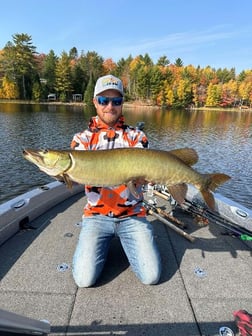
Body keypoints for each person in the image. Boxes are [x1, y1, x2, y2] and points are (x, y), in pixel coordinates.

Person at [71, 74, 161, 287]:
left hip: (132, 215)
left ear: (122, 104)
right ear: (95, 102)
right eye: (103, 100)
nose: (110, 106)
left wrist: (148, 178)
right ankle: (102, 242)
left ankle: (124, 240)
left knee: (151, 276)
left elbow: (143, 174)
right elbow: (75, 174)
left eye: (116, 101)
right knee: (84, 280)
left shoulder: (137, 137)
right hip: (96, 216)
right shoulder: (81, 140)